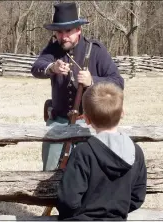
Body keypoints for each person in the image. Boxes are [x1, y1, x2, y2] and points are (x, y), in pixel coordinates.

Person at [31, 2, 124, 171]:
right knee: (50, 171)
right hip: (58, 122)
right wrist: (52, 68)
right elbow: (36, 68)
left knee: (89, 171)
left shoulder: (95, 50)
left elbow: (118, 82)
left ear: (78, 30)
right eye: (60, 32)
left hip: (89, 123)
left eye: (68, 31)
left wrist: (93, 81)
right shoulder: (52, 49)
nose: (64, 36)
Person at [56, 82, 147, 221]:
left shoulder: (83, 152)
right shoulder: (136, 152)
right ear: (122, 113)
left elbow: (68, 201)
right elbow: (137, 197)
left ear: (86, 119)